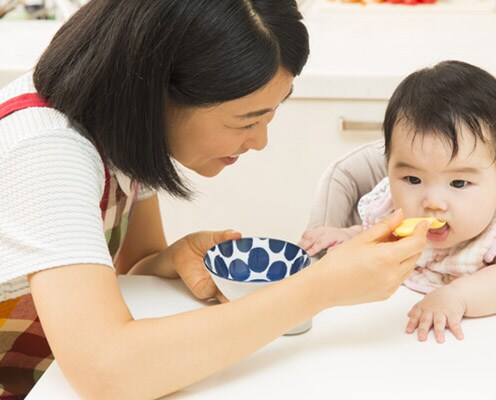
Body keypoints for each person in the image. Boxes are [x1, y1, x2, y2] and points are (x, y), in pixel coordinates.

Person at [0, 0, 429, 398]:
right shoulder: (46, 151)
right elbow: (107, 369)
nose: (260, 141)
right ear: (158, 93)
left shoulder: (120, 122)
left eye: (271, 114)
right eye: (246, 120)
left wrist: (171, 258)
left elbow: (130, 268)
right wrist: (322, 287)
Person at [299, 60, 496, 344]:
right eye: (412, 179)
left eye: (458, 183)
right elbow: (382, 237)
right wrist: (348, 236)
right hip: (396, 336)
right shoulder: (393, 205)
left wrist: (457, 295)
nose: (432, 202)